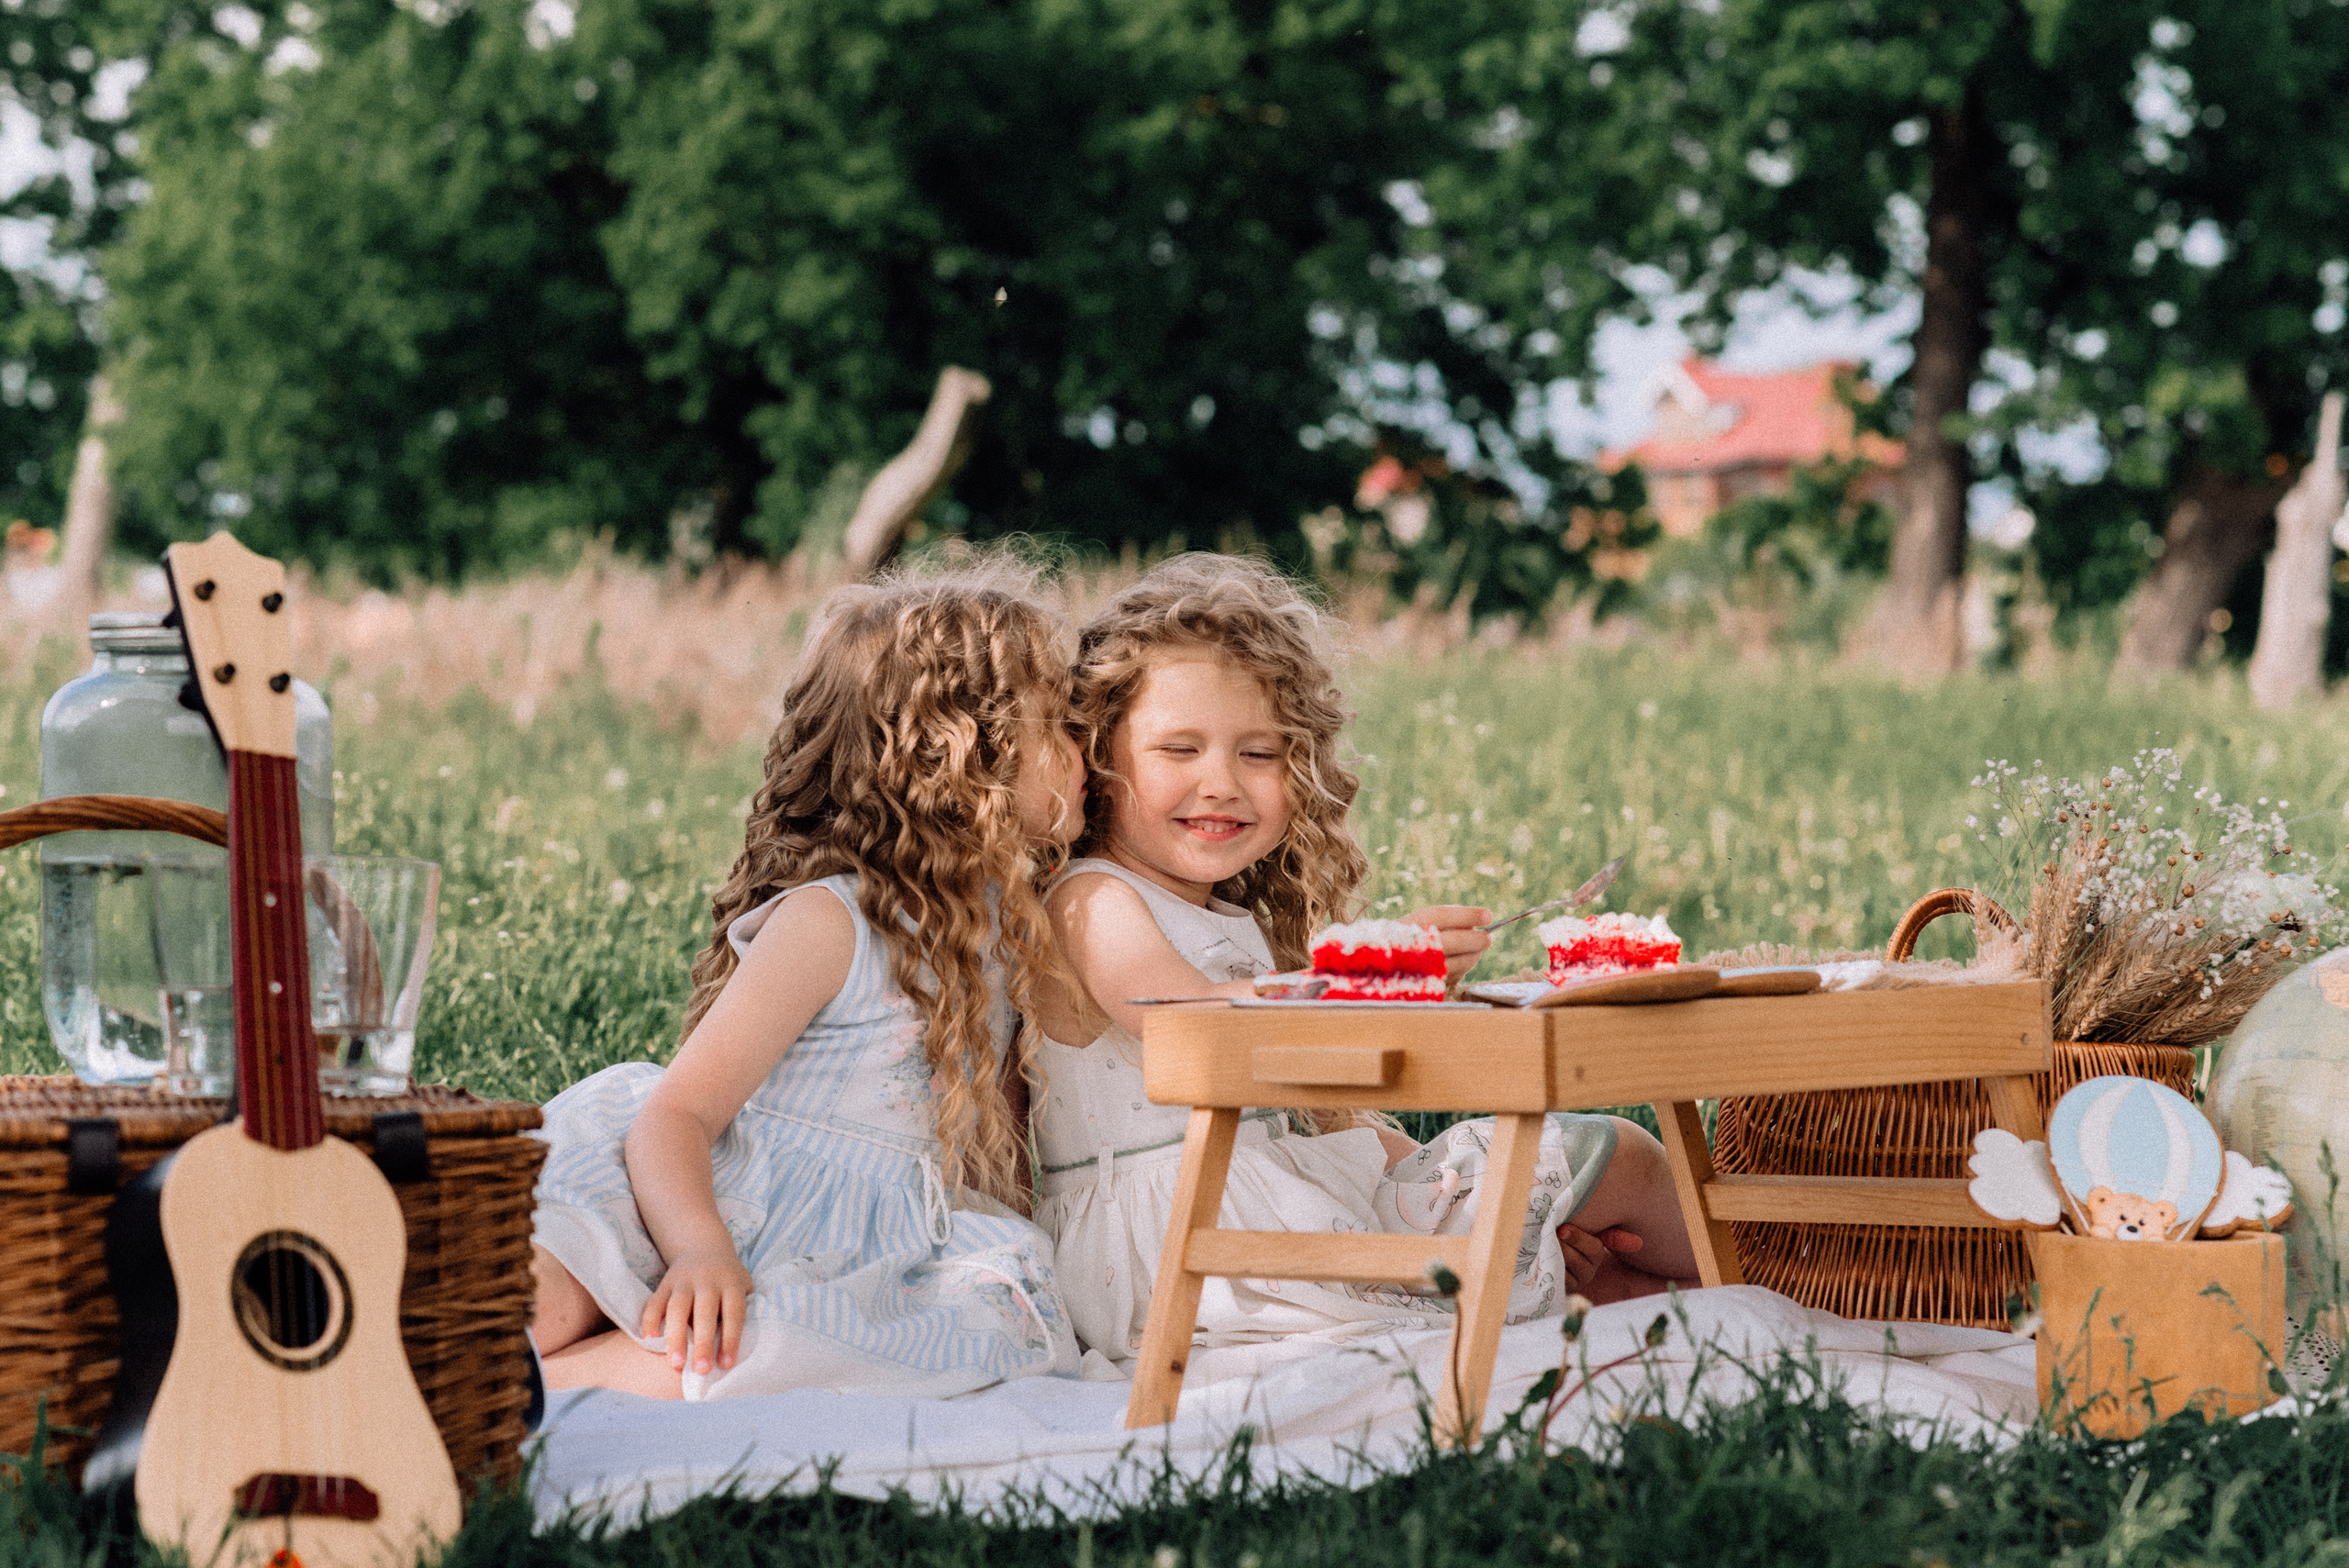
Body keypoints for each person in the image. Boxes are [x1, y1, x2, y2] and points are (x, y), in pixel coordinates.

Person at [1028, 554, 1698, 1370]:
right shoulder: (1090, 898)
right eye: (1180, 748)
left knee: (1584, 1187)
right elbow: (1186, 1027)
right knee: (1613, 1155)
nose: (1221, 783)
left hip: (1252, 1208)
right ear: (1097, 759)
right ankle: (1762, 1286)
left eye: (1259, 754)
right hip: (1180, 1239)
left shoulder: (1221, 919)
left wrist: (1390, 999)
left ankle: (1708, 1292)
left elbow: (1297, 1103)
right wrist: (1354, 979)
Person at [529, 564, 1085, 1400]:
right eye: (1062, 729)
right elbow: (674, 1115)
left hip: (868, 1244)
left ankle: (552, 1385)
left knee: (868, 1339)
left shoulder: (1010, 932)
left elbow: (996, 1139)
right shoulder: (836, 923)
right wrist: (701, 1248)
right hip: (704, 1193)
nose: (1086, 754)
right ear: (965, 757)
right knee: (545, 1286)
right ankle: (506, 1361)